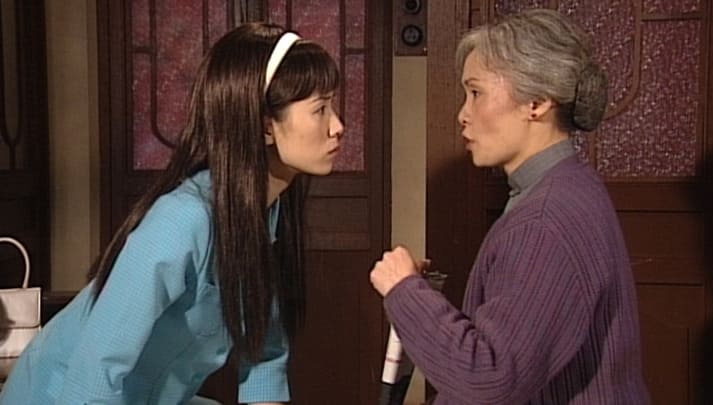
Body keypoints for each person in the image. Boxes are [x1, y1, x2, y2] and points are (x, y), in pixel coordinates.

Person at [0, 22, 343, 404]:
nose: (338, 126)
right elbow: (96, 368)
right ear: (265, 125)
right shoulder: (181, 221)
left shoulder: (268, 217)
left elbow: (264, 355)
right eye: (321, 109)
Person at [370, 8, 649, 404]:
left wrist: (405, 291)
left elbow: (491, 378)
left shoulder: (546, 220)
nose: (462, 115)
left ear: (536, 101)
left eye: (476, 93)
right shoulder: (566, 187)